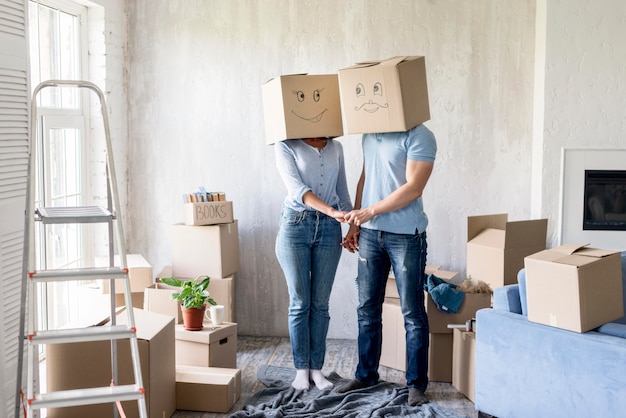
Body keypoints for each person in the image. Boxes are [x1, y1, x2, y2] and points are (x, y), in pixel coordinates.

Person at [338, 123, 437, 406]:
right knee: (366, 308)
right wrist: (356, 224)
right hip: (369, 234)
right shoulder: (370, 132)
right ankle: (366, 375)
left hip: (406, 236)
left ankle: (416, 384)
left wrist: (371, 211)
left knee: (412, 312)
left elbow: (414, 188)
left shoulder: (420, 135)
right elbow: (365, 178)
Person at [274, 136, 353, 391]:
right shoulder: (285, 145)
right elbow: (297, 190)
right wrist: (331, 211)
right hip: (296, 225)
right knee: (300, 302)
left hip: (330, 230)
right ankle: (301, 370)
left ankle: (317, 370)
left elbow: (342, 192)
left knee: (320, 303)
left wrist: (353, 225)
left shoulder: (336, 147)